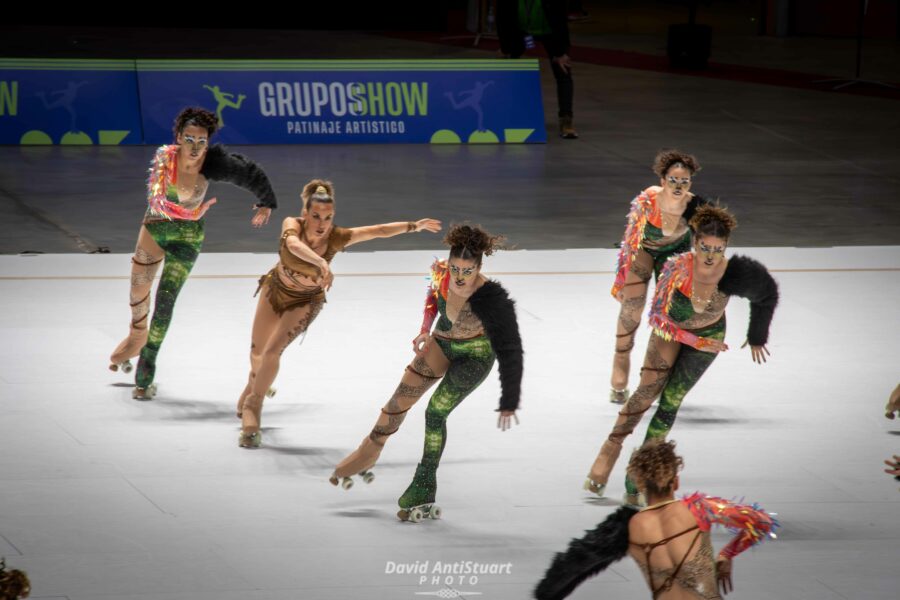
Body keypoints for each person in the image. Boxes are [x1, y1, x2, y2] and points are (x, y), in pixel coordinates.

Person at [586, 205, 779, 506]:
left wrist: (757, 336)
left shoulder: (736, 271)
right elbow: (658, 317)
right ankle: (610, 449)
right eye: (705, 247)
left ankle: (636, 477)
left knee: (671, 402)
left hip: (710, 338)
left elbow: (767, 293)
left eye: (719, 248)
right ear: (694, 242)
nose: (711, 255)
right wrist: (693, 340)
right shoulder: (677, 268)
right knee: (645, 395)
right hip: (670, 333)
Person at [330, 224, 524, 522]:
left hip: (474, 357)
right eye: (456, 268)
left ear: (479, 267)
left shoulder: (493, 299)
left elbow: (511, 349)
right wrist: (423, 330)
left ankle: (424, 485)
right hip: (441, 343)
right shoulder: (441, 272)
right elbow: (433, 297)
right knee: (399, 400)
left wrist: (509, 398)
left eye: (467, 271)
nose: (459, 277)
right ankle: (369, 450)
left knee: (435, 413)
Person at [236, 179, 441, 448]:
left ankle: (253, 406)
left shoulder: (337, 236)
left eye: (328, 217)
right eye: (317, 216)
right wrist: (321, 261)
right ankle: (254, 385)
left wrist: (415, 225)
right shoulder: (291, 224)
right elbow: (294, 245)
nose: (322, 224)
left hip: (306, 300)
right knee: (257, 352)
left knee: (272, 352)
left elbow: (377, 231)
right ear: (305, 213)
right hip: (274, 290)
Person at [108, 107, 278, 400]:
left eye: (202, 141)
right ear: (178, 138)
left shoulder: (214, 163)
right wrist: (195, 209)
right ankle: (138, 333)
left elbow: (249, 172)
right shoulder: (164, 159)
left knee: (165, 302)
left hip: (187, 238)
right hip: (156, 229)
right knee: (138, 292)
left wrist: (266, 201)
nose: (196, 147)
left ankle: (147, 362)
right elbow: (158, 200)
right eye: (189, 139)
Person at [536, 439, 778, 600]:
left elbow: (571, 565)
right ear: (676, 481)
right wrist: (726, 554)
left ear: (640, 485)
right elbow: (761, 522)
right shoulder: (701, 508)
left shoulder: (628, 526)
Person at [609, 150, 707, 404]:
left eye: (683, 181)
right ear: (663, 180)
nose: (678, 185)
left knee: (666, 315)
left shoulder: (695, 206)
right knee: (632, 308)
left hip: (674, 256)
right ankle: (621, 359)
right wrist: (620, 279)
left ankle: (654, 372)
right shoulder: (648, 199)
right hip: (644, 250)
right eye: (673, 180)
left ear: (690, 183)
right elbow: (630, 240)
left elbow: (705, 244)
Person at [497, 0, 578, 138]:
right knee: (507, 69)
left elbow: (560, 21)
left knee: (563, 70)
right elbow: (503, 20)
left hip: (550, 32)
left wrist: (562, 52)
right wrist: (506, 48)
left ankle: (566, 119)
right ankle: (504, 115)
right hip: (522, 33)